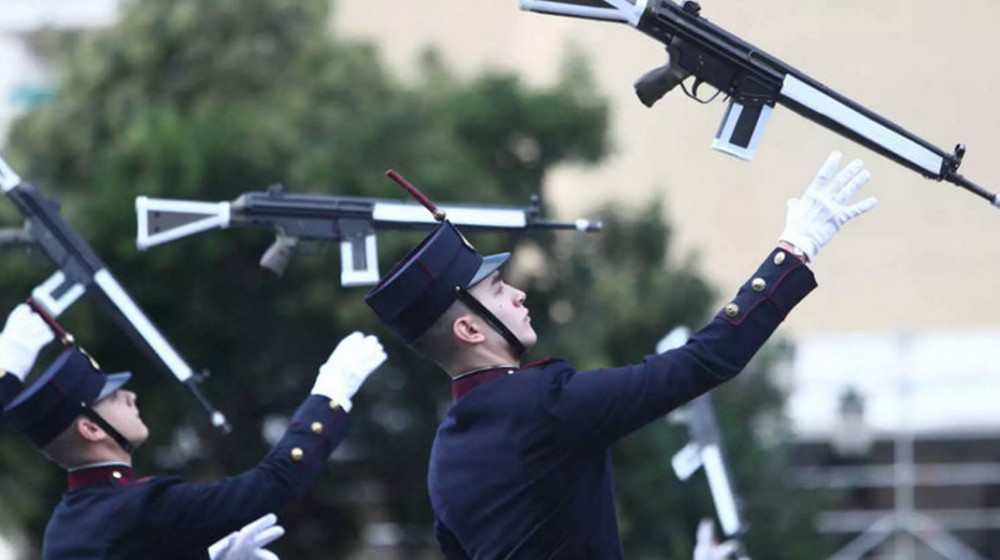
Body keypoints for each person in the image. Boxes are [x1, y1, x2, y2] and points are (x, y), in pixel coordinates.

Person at [364, 151, 877, 558]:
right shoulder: (543, 404)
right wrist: (793, 251)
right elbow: (701, 362)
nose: (518, 295)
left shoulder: (443, 459)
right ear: (469, 328)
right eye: (498, 290)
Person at [3, 318, 386, 560]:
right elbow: (275, 481)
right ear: (91, 429)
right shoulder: (141, 508)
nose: (131, 397)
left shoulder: (65, 525)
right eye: (115, 396)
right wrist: (331, 393)